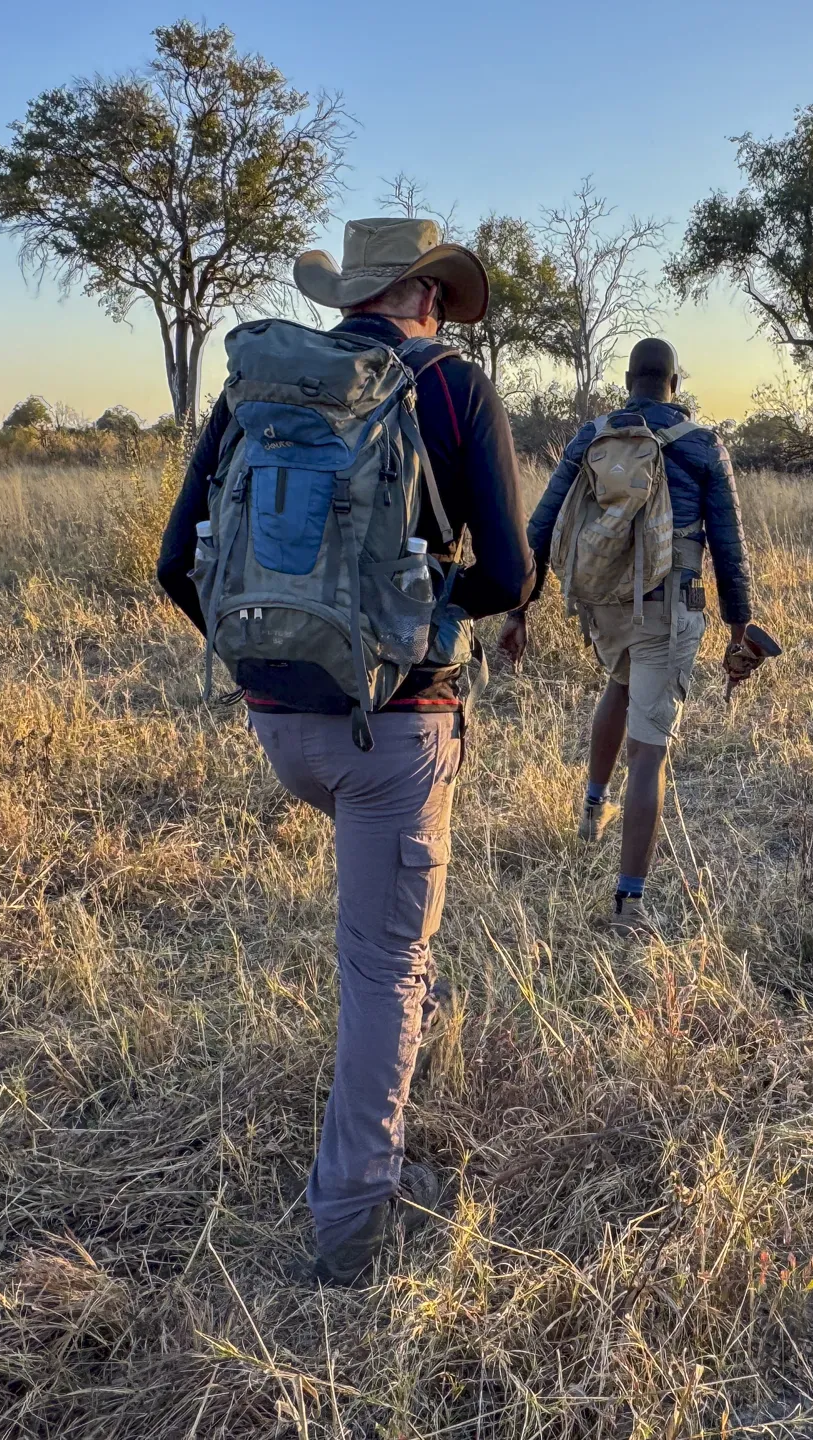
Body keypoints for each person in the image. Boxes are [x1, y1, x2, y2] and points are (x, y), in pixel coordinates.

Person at [156, 217, 533, 1285]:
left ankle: (383, 1128)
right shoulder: (453, 388)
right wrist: (412, 622)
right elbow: (509, 579)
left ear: (348, 297)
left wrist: (272, 656)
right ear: (428, 296)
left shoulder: (263, 386)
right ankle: (352, 1228)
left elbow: (176, 564)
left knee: (386, 941)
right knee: (383, 968)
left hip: (278, 722)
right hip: (395, 729)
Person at [498, 338, 752, 932]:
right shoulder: (702, 443)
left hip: (605, 605)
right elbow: (729, 544)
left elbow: (542, 526)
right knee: (649, 753)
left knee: (619, 681)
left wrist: (519, 611)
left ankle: (593, 808)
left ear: (629, 382)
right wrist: (739, 626)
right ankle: (628, 906)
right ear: (674, 384)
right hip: (667, 608)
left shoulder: (592, 437)